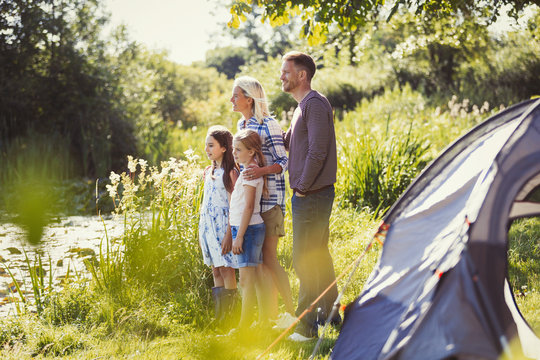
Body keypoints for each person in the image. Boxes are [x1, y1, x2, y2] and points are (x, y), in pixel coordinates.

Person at [280, 51, 340, 341]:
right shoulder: (301, 107)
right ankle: (332, 313)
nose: (281, 76)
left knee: (305, 258)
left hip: (312, 194)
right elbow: (291, 143)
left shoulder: (314, 104)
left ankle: (306, 327)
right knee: (318, 255)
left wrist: (302, 187)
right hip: (311, 194)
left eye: (286, 71)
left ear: (302, 75)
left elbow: (318, 151)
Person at [231, 76, 296, 325]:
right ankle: (269, 316)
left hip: (270, 203)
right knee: (258, 264)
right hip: (252, 207)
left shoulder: (268, 124)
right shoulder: (241, 124)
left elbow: (284, 162)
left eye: (235, 95)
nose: (232, 100)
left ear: (249, 99)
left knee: (269, 259)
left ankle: (291, 312)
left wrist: (261, 171)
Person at [199, 125, 239, 325]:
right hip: (208, 228)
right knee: (216, 269)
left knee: (227, 269)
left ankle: (231, 315)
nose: (207, 149)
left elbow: (234, 207)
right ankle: (220, 317)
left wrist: (228, 235)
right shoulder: (208, 171)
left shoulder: (230, 172)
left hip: (223, 227)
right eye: (206, 145)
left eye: (211, 145)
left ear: (224, 147)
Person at [229, 129, 269, 329]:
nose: (234, 153)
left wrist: (239, 237)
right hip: (246, 229)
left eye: (239, 149)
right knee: (252, 278)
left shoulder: (250, 172)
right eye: (233, 149)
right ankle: (261, 321)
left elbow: (249, 206)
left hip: (249, 230)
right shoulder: (247, 170)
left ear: (252, 151)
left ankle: (244, 326)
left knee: (245, 281)